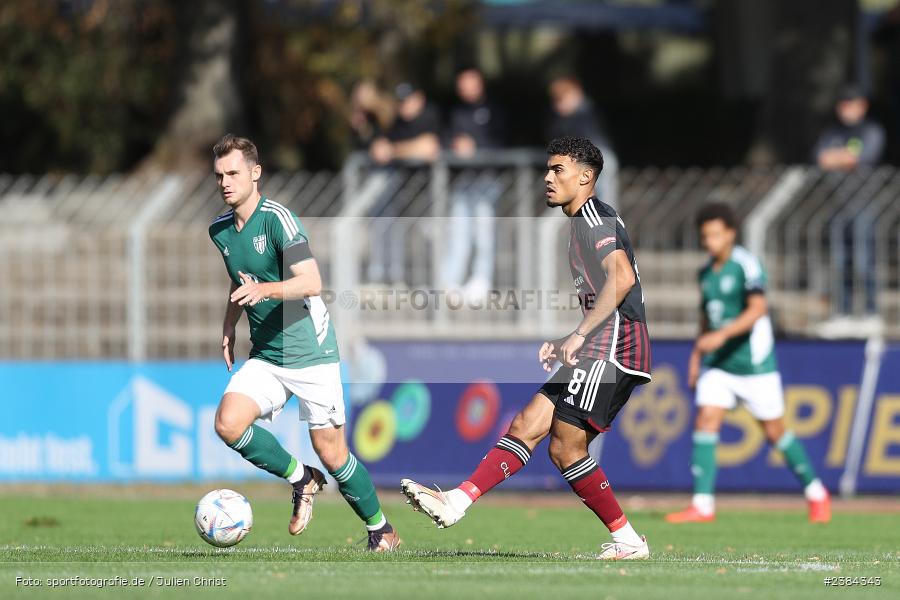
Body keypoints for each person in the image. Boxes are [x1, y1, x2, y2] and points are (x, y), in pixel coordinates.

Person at [402, 136, 653, 560]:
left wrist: (578, 336)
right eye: (548, 169)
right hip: (602, 342)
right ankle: (457, 502)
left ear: (586, 177)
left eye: (558, 170)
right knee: (526, 423)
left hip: (614, 348)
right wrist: (570, 338)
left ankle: (629, 541)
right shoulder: (581, 222)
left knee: (565, 447)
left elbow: (622, 278)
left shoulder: (594, 218)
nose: (548, 177)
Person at [208, 134, 400, 551]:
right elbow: (239, 282)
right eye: (220, 175)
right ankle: (302, 478)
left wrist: (266, 291)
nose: (225, 182)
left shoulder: (278, 219)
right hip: (266, 354)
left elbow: (312, 282)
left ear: (255, 174)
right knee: (227, 423)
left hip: (310, 353)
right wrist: (229, 326)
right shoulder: (220, 230)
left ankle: (381, 529)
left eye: (234, 173)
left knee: (332, 452)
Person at [665, 203, 830, 524]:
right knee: (706, 418)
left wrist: (722, 336)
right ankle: (702, 504)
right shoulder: (705, 273)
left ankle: (816, 492)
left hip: (754, 365)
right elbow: (705, 321)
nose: (710, 241)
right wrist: (696, 358)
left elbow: (757, 310)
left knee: (774, 432)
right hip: (718, 364)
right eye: (705, 235)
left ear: (730, 233)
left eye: (715, 234)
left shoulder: (746, 265)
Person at [813, 85, 885, 334]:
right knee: (838, 262)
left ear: (862, 106)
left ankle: (871, 312)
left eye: (852, 104)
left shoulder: (871, 130)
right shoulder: (831, 132)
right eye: (843, 104)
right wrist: (843, 157)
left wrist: (839, 158)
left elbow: (863, 157)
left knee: (864, 262)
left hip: (863, 204)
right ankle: (842, 312)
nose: (847, 109)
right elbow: (821, 158)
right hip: (837, 206)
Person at [367, 82, 441, 285]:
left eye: (408, 100)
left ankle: (431, 284)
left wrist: (394, 151)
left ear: (420, 99)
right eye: (401, 102)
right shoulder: (397, 123)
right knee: (392, 231)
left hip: (429, 195)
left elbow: (428, 148)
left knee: (430, 241)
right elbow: (380, 148)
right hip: (403, 194)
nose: (404, 106)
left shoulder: (430, 117)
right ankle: (393, 279)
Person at [442, 67, 507, 299]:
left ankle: (482, 279)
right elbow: (447, 138)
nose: (466, 88)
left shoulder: (494, 110)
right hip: (464, 179)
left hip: (487, 179)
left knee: (483, 232)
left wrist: (476, 148)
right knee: (459, 230)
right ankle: (451, 280)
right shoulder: (457, 113)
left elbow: (500, 143)